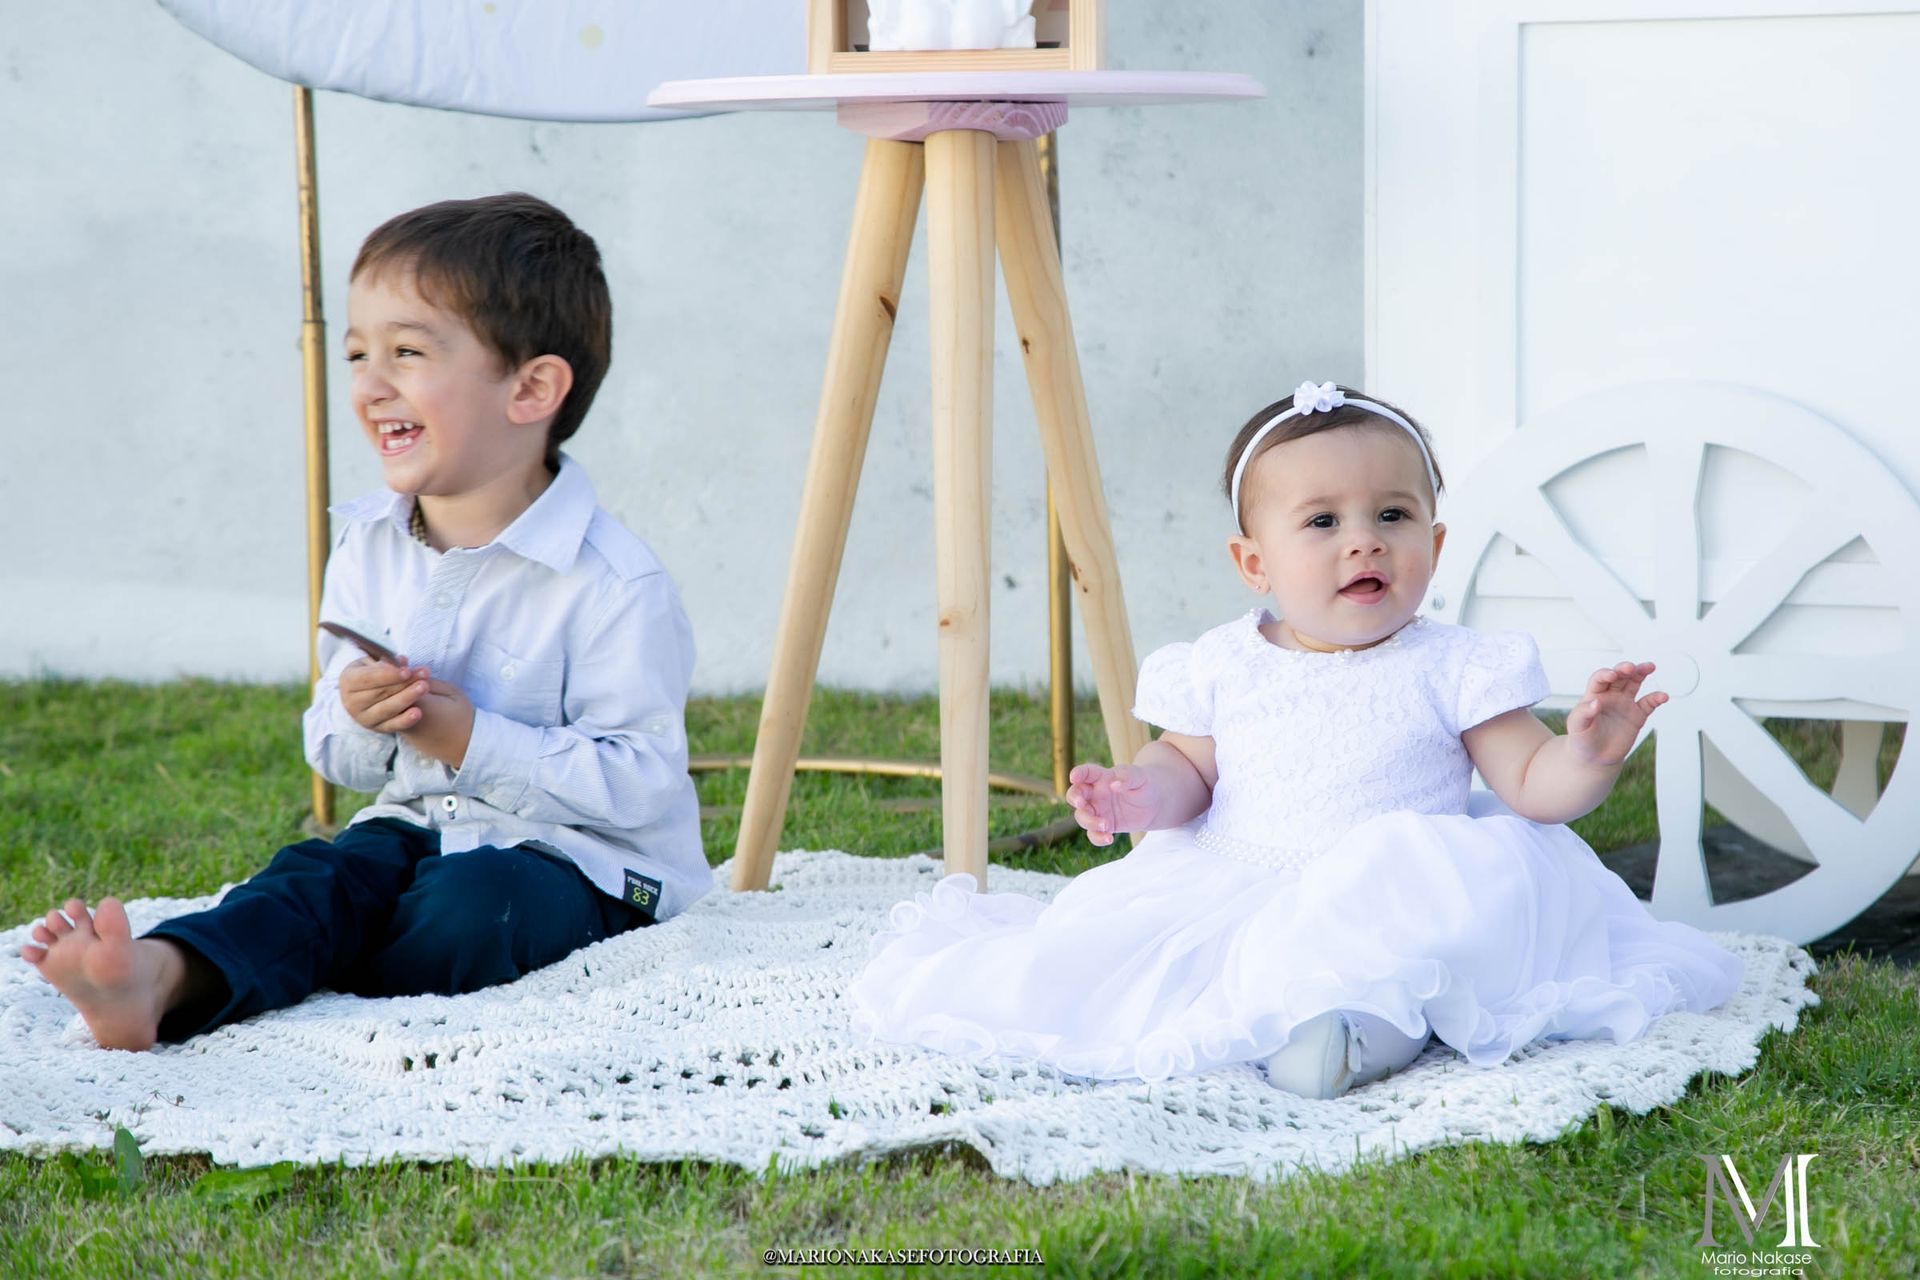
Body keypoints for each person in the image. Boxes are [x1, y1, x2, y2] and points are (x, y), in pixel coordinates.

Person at [849, 380, 1743, 1098]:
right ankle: (1301, 1026)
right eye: (1323, 523)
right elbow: (1188, 769)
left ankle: (1362, 1033)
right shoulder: (1223, 665)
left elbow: (1534, 790)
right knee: (1127, 974)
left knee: (1394, 961)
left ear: (1433, 540)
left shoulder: (1455, 666)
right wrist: (1139, 792)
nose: (1364, 544)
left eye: (1392, 518)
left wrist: (1589, 750)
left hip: (1398, 890)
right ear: (1254, 562)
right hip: (1247, 875)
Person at [21, 192, 708, 1051]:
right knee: (313, 877)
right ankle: (159, 978)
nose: (371, 385)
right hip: (416, 830)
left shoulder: (615, 584)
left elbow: (641, 784)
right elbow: (334, 754)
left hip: (582, 867)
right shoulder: (367, 547)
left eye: (409, 353)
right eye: (358, 354)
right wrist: (356, 713)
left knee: (475, 907)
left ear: (531, 388)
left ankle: (306, 963)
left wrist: (470, 738)